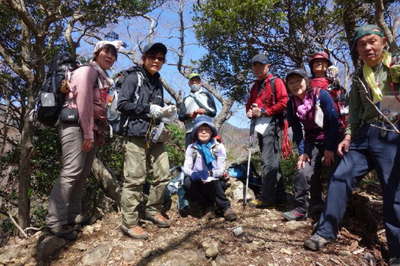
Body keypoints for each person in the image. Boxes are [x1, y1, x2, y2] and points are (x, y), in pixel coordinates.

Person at [303, 24, 400, 266]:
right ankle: (326, 231)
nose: (367, 47)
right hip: (364, 135)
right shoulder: (358, 76)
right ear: (356, 49)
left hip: (390, 132)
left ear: (383, 43)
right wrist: (348, 136)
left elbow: (392, 106)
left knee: (393, 191)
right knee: (340, 176)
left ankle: (396, 249)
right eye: (362, 44)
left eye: (372, 41)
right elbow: (355, 112)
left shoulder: (395, 67)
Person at [46, 40, 121, 240]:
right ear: (97, 52)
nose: (111, 56)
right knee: (72, 172)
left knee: (82, 173)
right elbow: (84, 103)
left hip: (90, 129)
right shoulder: (87, 72)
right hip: (76, 126)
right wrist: (88, 133)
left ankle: (73, 218)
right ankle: (55, 222)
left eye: (114, 54)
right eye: (107, 51)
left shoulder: (102, 77)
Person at [117, 42, 176, 239]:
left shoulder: (157, 82)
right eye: (153, 57)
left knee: (163, 174)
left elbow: (157, 109)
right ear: (144, 58)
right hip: (135, 134)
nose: (157, 61)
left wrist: (166, 113)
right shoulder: (133, 77)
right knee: (135, 178)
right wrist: (147, 108)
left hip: (155, 134)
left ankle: (152, 210)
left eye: (161, 58)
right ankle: (129, 222)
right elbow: (122, 104)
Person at [282, 68, 339, 221]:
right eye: (291, 82)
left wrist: (329, 148)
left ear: (306, 81)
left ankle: (334, 211)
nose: (295, 85)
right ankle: (303, 208)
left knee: (336, 172)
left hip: (331, 137)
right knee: (303, 170)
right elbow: (298, 132)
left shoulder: (321, 95)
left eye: (298, 81)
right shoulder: (291, 104)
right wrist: (303, 152)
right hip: (311, 140)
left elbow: (334, 122)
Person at [245, 54, 289, 208]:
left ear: (268, 66)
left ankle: (267, 199)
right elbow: (250, 104)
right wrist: (250, 112)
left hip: (272, 124)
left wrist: (264, 111)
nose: (257, 69)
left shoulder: (276, 82)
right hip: (260, 125)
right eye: (255, 66)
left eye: (261, 66)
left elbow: (284, 101)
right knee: (272, 161)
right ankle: (280, 196)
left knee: (268, 161)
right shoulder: (255, 86)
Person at [182, 116, 237, 221]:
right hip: (197, 178)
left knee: (213, 182)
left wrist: (210, 173)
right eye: (200, 130)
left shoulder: (218, 147)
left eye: (207, 130)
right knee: (187, 183)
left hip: (215, 178)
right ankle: (208, 206)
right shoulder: (191, 148)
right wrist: (196, 174)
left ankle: (225, 207)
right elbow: (186, 168)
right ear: (196, 132)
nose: (203, 132)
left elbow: (221, 169)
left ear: (211, 132)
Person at [308, 51, 348, 133]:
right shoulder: (306, 84)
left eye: (322, 61)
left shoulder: (335, 84)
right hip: (313, 126)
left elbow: (342, 104)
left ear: (328, 66)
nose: (319, 63)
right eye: (316, 62)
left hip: (335, 124)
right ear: (311, 67)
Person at [178, 73, 217, 147]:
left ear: (200, 83)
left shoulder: (207, 95)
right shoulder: (186, 99)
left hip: (205, 131)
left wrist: (205, 111)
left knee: (207, 155)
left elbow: (214, 112)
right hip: (190, 131)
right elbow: (180, 116)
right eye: (192, 81)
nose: (195, 83)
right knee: (190, 155)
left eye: (197, 81)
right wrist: (190, 115)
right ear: (189, 83)